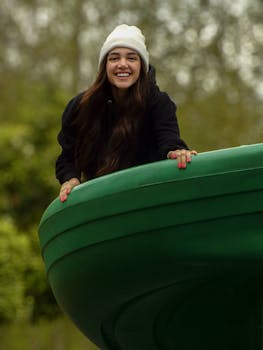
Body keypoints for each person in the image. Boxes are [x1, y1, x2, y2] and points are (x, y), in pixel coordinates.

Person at [56, 24, 197, 202]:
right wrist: (70, 179)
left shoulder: (158, 103)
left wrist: (176, 151)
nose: (123, 65)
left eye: (131, 58)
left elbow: (169, 141)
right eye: (114, 58)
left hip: (147, 200)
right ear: (104, 65)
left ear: (142, 65)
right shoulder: (80, 107)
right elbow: (66, 158)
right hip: (99, 203)